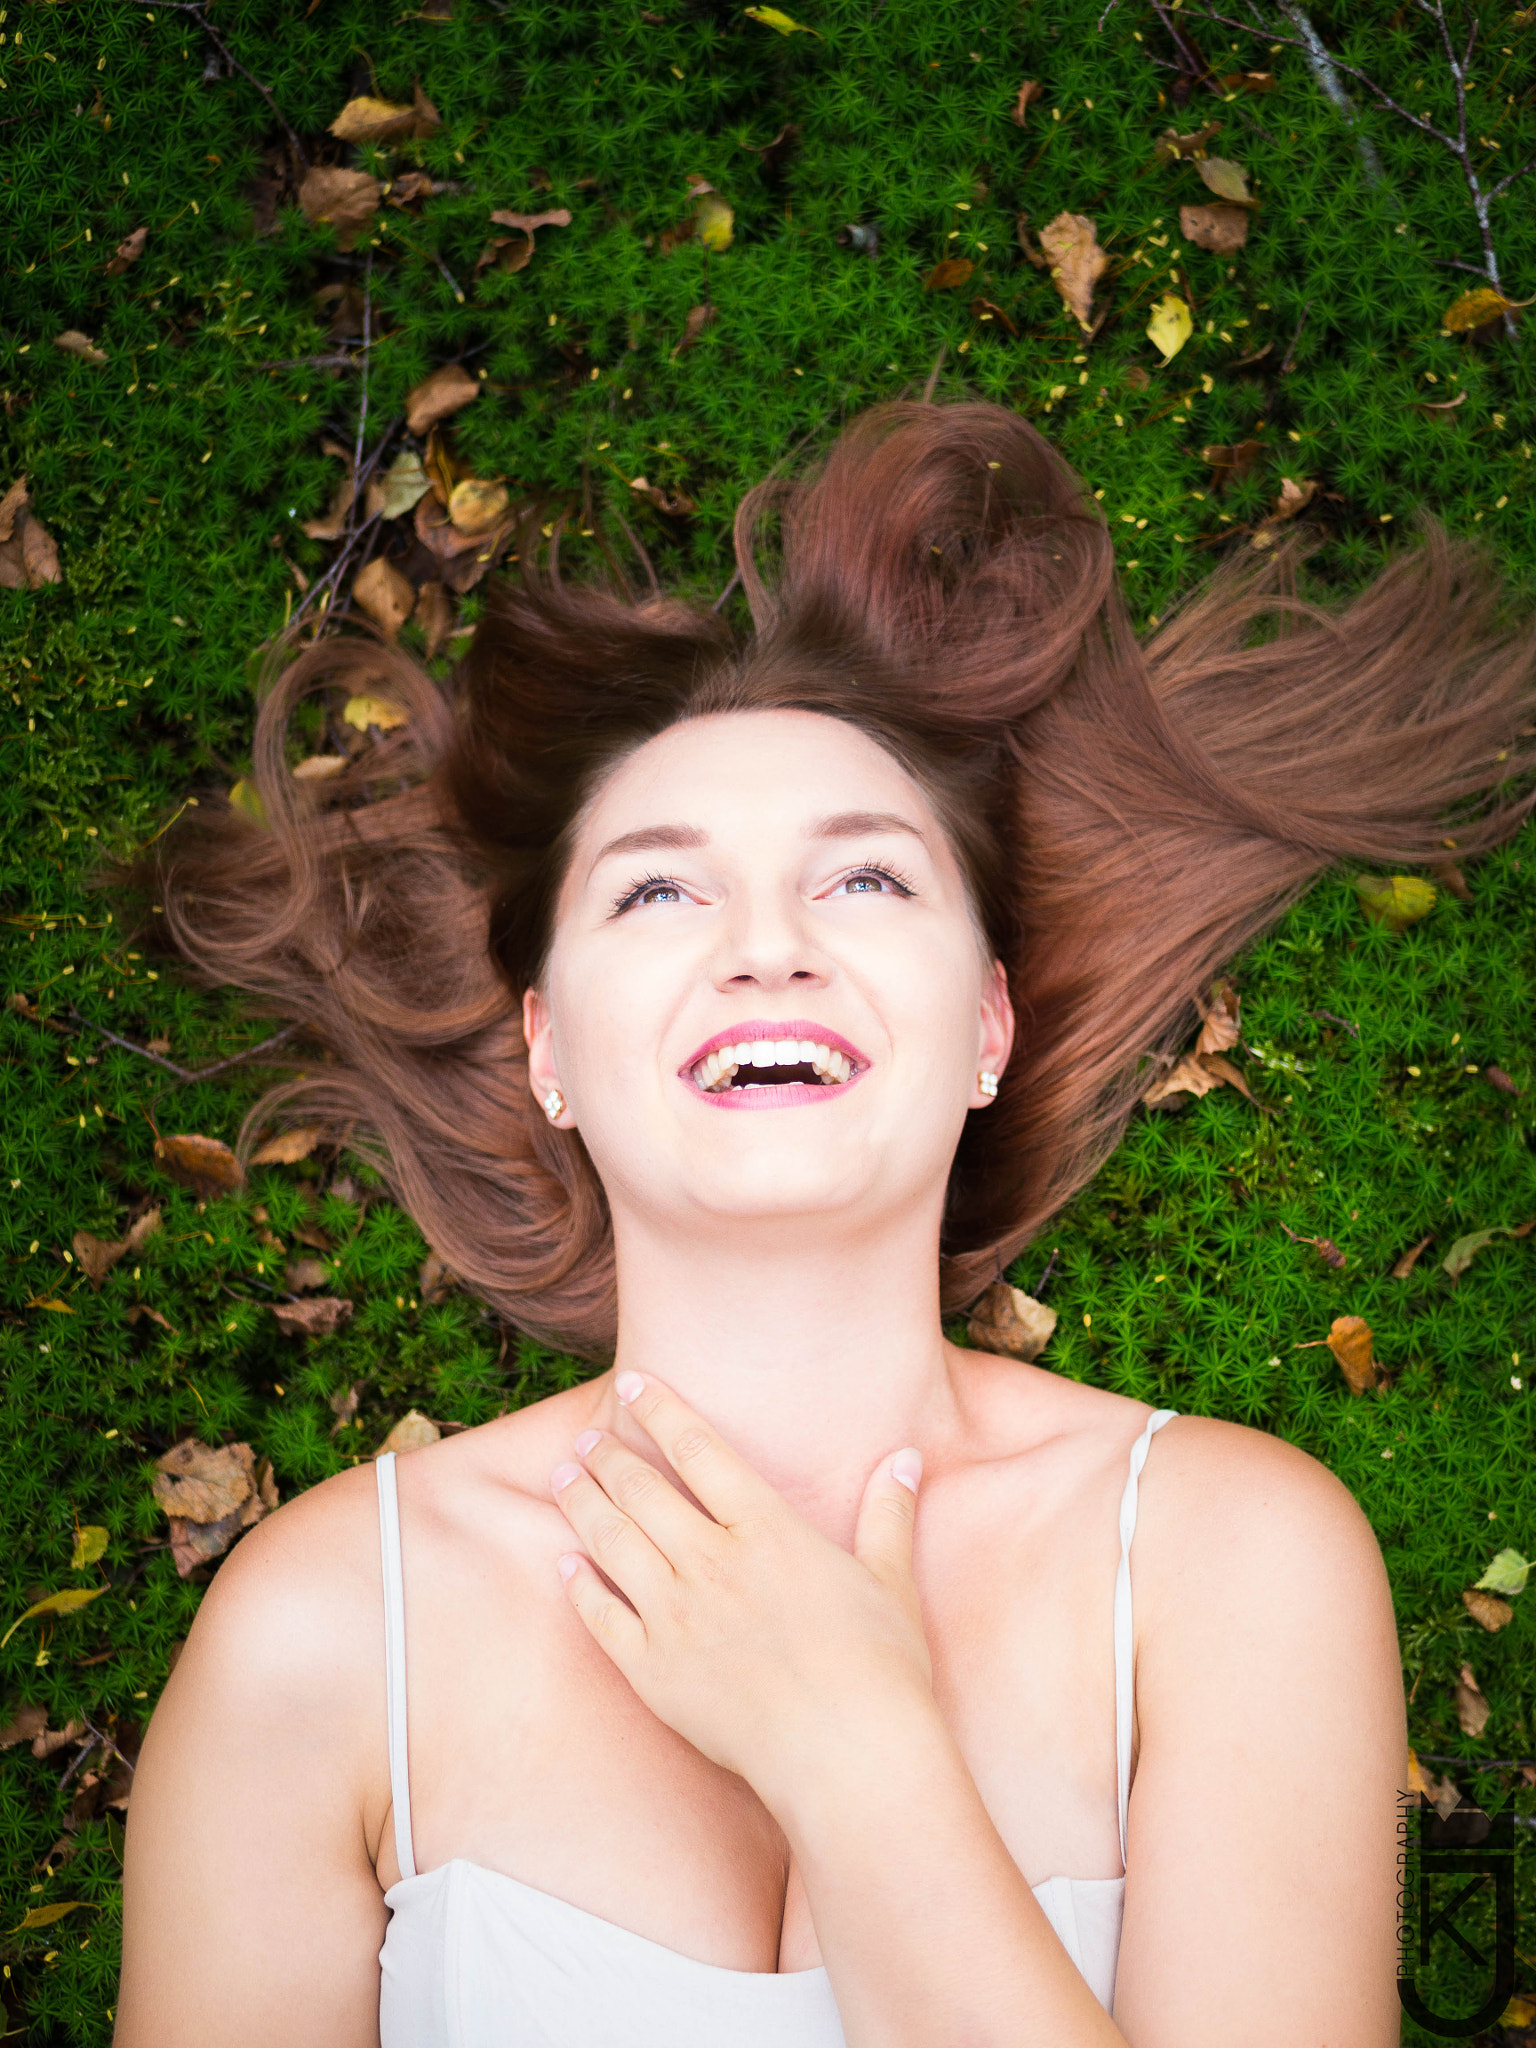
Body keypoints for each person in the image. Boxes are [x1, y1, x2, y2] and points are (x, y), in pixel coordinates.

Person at [112, 400, 1535, 2045]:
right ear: (549, 1049)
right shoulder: (324, 1632)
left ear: (990, 1027)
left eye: (865, 880)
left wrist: (856, 1762)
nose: (767, 945)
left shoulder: (1231, 1562)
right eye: (657, 888)